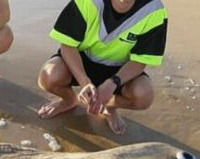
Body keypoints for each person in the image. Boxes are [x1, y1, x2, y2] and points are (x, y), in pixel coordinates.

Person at [37, 0, 168, 134]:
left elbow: (140, 61)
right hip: (82, 60)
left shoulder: (153, 10)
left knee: (143, 96)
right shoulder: (87, 2)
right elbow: (67, 45)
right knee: (49, 76)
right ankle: (69, 100)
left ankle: (108, 106)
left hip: (120, 69)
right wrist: (84, 82)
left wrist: (113, 83)